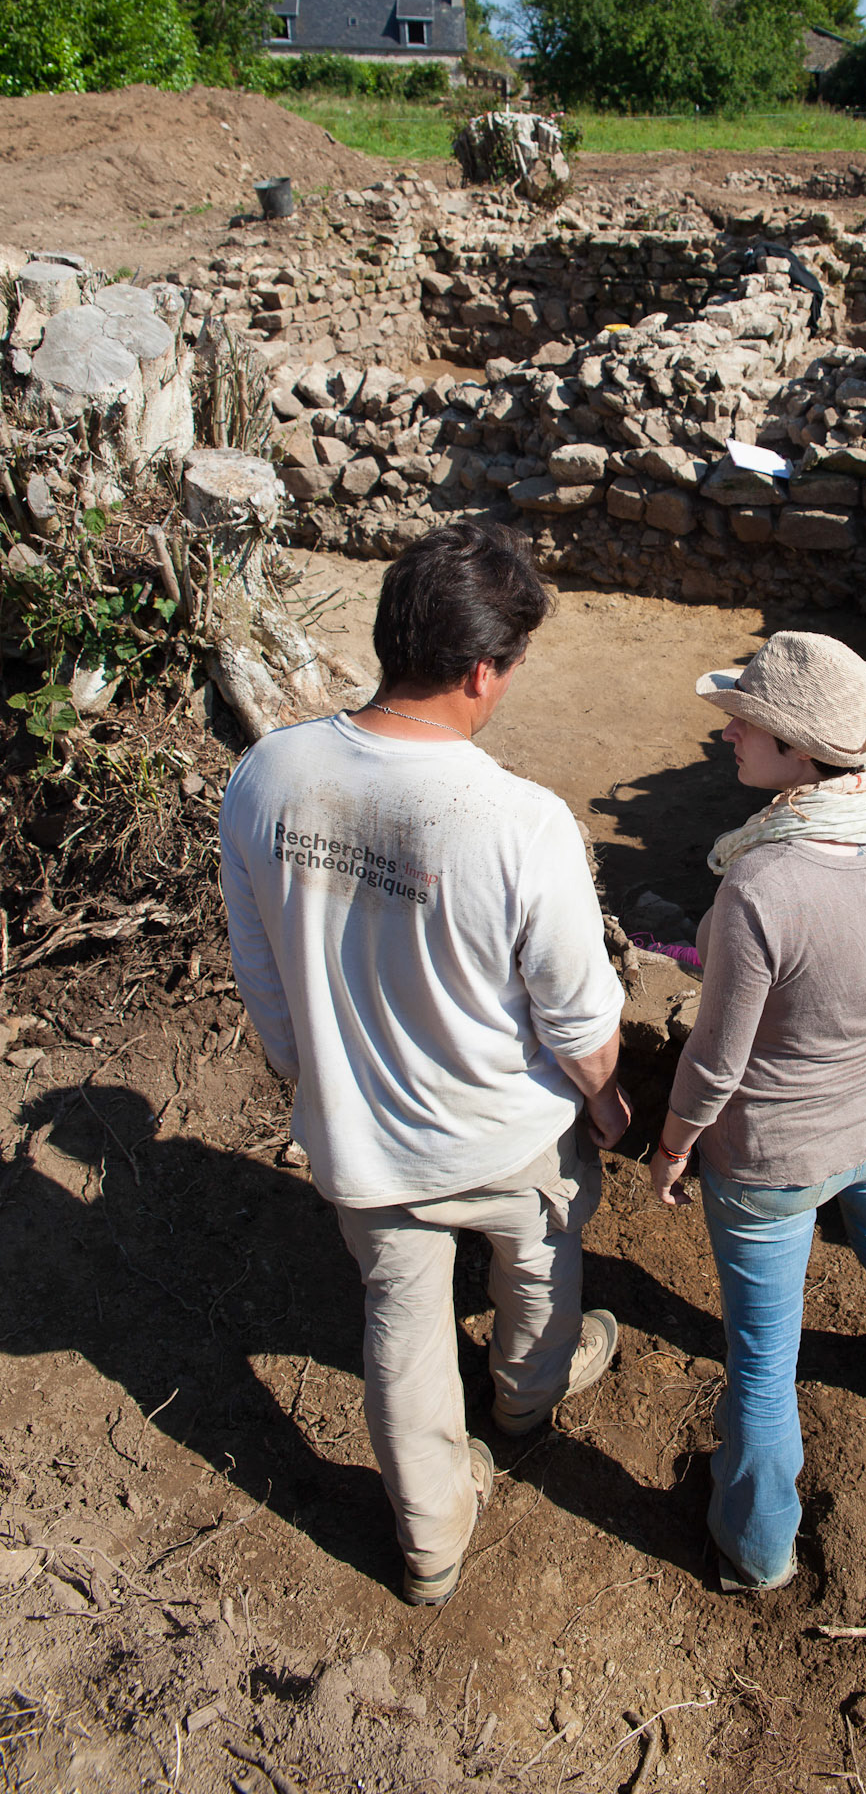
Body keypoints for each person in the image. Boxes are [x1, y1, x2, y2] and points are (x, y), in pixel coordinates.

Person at [219, 521, 630, 1606]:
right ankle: (526, 1401)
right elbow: (580, 1018)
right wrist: (609, 1102)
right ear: (483, 668)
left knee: (399, 1322)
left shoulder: (267, 773)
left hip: (366, 1144)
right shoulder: (518, 821)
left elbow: (260, 969)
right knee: (540, 1270)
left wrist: (309, 1079)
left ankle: (431, 1533)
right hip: (506, 1134)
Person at [648, 630, 866, 1592]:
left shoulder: (761, 882)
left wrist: (671, 1146)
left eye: (749, 723)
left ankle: (756, 1545)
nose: (729, 731)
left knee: (760, 1361)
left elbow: (717, 1057)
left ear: (797, 754)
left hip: (775, 1152)